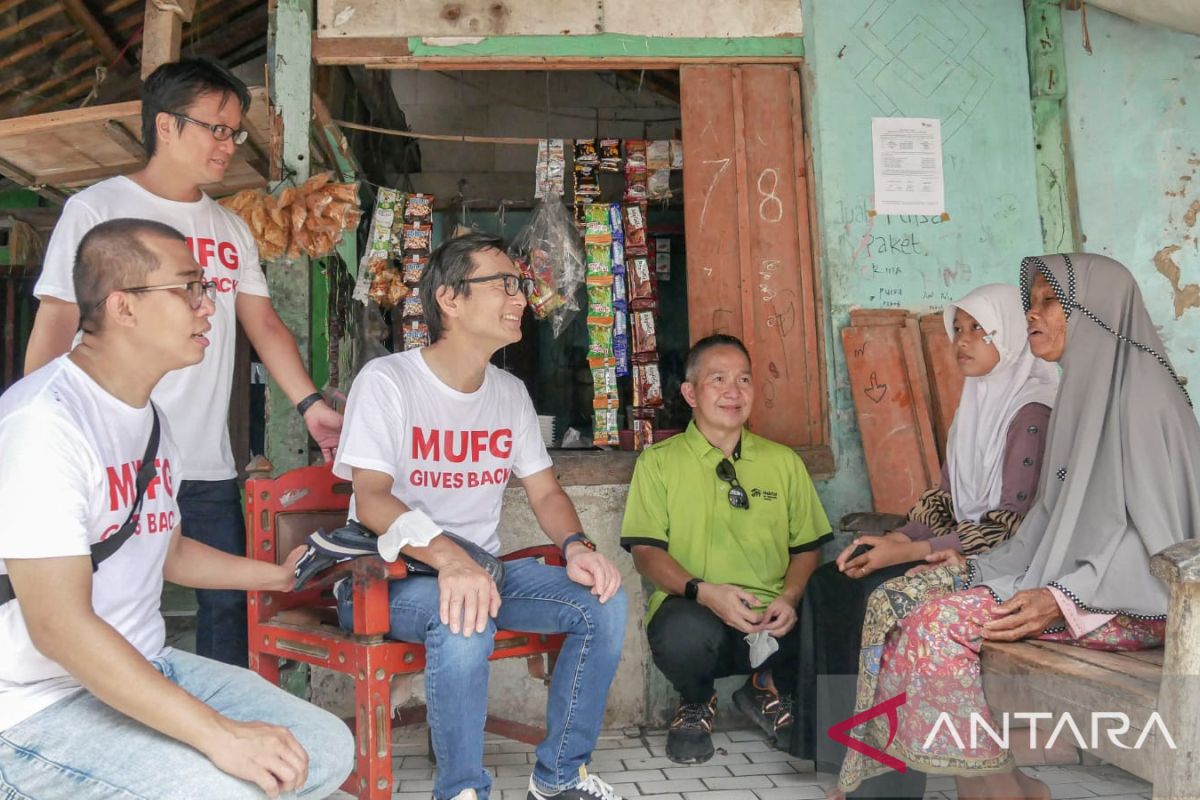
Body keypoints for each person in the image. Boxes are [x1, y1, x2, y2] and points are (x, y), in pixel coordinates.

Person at [0, 219, 353, 799]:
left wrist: (278, 575)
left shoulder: (149, 418)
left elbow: (165, 549)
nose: (208, 307)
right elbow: (58, 626)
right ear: (123, 307)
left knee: (323, 748)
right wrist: (220, 737)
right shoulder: (45, 423)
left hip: (146, 663)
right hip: (42, 699)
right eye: (189, 288)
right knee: (232, 786)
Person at [835, 254, 1200, 799]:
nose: (1034, 315)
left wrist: (1063, 596)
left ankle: (997, 791)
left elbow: (1164, 542)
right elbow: (1049, 519)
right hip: (1078, 589)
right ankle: (1002, 787)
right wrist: (978, 567)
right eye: (1031, 303)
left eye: (1050, 302)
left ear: (1095, 310)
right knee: (914, 607)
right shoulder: (1082, 390)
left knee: (935, 629)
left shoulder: (1145, 398)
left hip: (1140, 604)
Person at [23, 57, 342, 668]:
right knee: (87, 596)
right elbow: (57, 319)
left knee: (225, 606)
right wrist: (34, 429)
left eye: (235, 132)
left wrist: (309, 406)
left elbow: (263, 324)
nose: (228, 144)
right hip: (105, 452)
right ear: (165, 126)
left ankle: (220, 731)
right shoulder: (96, 209)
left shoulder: (230, 228)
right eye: (215, 128)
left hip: (200, 458)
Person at [332, 232, 628, 800]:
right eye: (505, 284)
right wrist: (449, 560)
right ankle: (462, 790)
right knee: (462, 615)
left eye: (519, 285)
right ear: (450, 298)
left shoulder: (510, 392)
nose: (521, 297)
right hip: (390, 574)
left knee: (604, 601)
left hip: (484, 571)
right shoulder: (389, 381)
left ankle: (560, 777)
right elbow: (370, 499)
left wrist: (577, 547)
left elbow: (545, 493)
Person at [789, 284, 1058, 781]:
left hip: (1002, 564)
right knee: (832, 582)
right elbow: (944, 502)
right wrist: (892, 542)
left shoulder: (1032, 412)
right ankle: (836, 757)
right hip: (950, 549)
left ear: (1011, 335)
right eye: (957, 328)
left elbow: (1008, 526)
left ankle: (888, 777)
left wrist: (910, 550)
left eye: (979, 329)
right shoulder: (975, 404)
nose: (963, 340)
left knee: (880, 596)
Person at [620, 334, 833, 765]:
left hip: (773, 615)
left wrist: (789, 598)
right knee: (682, 632)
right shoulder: (659, 462)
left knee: (830, 605)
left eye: (743, 380)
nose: (733, 392)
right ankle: (696, 703)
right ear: (689, 393)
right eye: (718, 379)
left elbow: (808, 549)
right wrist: (705, 592)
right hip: (699, 609)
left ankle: (768, 687)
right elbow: (645, 551)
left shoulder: (782, 462)